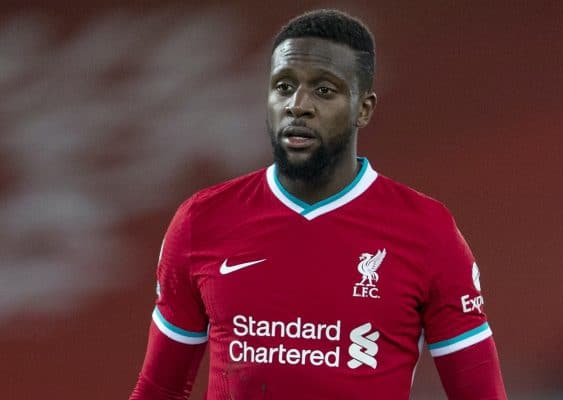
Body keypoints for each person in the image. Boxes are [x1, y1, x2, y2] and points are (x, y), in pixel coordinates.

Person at [129, 9, 507, 400]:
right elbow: (160, 389)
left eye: (323, 90)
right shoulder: (201, 221)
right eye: (283, 86)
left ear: (364, 108)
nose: (298, 105)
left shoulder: (427, 231)